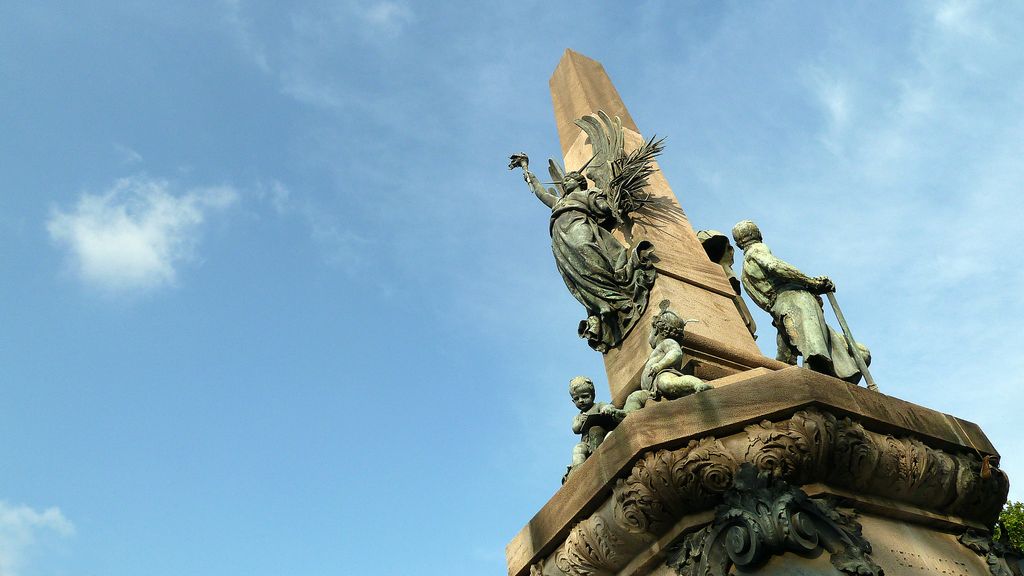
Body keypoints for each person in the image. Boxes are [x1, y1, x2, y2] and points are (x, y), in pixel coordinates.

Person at [520, 166, 655, 353]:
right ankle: (602, 303)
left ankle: (616, 298)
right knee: (576, 275)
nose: (565, 181)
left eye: (570, 179)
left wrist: (615, 194)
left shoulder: (588, 193)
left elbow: (605, 208)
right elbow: (539, 191)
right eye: (565, 180)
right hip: (560, 237)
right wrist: (526, 168)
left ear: (579, 181)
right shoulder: (559, 201)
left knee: (588, 253)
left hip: (579, 226)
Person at [732, 220, 869, 383]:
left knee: (861, 352)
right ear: (758, 234)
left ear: (738, 243)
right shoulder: (757, 250)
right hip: (796, 302)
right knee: (817, 353)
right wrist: (812, 282)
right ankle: (818, 380)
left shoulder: (745, 274)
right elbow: (775, 266)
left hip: (783, 311)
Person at [624, 301, 712, 413]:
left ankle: (698, 385)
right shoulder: (657, 349)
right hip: (651, 390)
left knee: (668, 383)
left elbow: (676, 353)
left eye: (651, 330)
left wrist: (660, 365)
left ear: (657, 330)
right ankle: (627, 414)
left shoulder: (668, 342)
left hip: (663, 374)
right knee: (634, 397)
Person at [564, 376, 625, 482]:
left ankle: (604, 454)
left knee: (606, 434)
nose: (581, 401)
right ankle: (578, 469)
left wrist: (607, 409)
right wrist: (580, 422)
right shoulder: (578, 416)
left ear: (593, 395)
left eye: (585, 396)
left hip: (601, 434)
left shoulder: (599, 405)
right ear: (573, 402)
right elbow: (575, 429)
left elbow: (608, 407)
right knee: (578, 449)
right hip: (586, 442)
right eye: (577, 399)